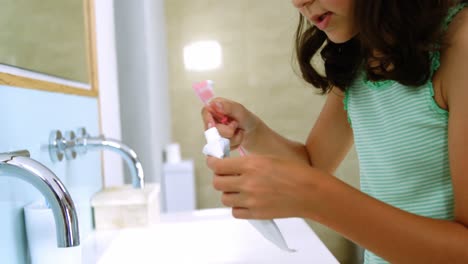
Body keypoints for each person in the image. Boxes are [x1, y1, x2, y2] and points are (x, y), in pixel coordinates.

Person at [200, 0, 468, 263]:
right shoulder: (364, 57)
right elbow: (313, 164)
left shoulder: (461, 41)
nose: (299, 3)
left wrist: (314, 196)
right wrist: (253, 132)